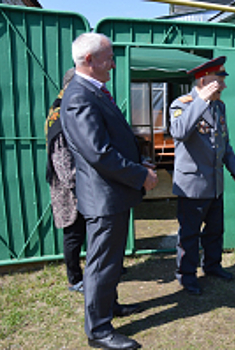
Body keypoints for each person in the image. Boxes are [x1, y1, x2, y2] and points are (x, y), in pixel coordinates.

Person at [61, 33, 158, 350]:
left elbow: (113, 141)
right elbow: (99, 152)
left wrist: (139, 160)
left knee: (111, 260)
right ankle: (99, 330)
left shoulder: (93, 92)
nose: (114, 64)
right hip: (104, 196)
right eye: (109, 57)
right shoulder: (79, 95)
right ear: (89, 60)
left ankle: (109, 307)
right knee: (102, 264)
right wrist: (140, 175)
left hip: (112, 194)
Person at [169, 56, 235, 296]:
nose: (223, 86)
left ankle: (212, 266)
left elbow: (224, 142)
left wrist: (234, 167)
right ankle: (187, 275)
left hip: (215, 183)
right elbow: (179, 132)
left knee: (215, 230)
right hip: (191, 184)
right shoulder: (181, 103)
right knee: (189, 234)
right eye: (219, 81)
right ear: (203, 80)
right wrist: (200, 100)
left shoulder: (219, 107)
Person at [45, 68, 86, 294]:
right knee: (73, 234)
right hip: (69, 188)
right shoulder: (60, 115)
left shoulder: (62, 108)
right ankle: (74, 278)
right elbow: (62, 160)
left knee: (84, 231)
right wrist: (78, 185)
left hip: (76, 184)